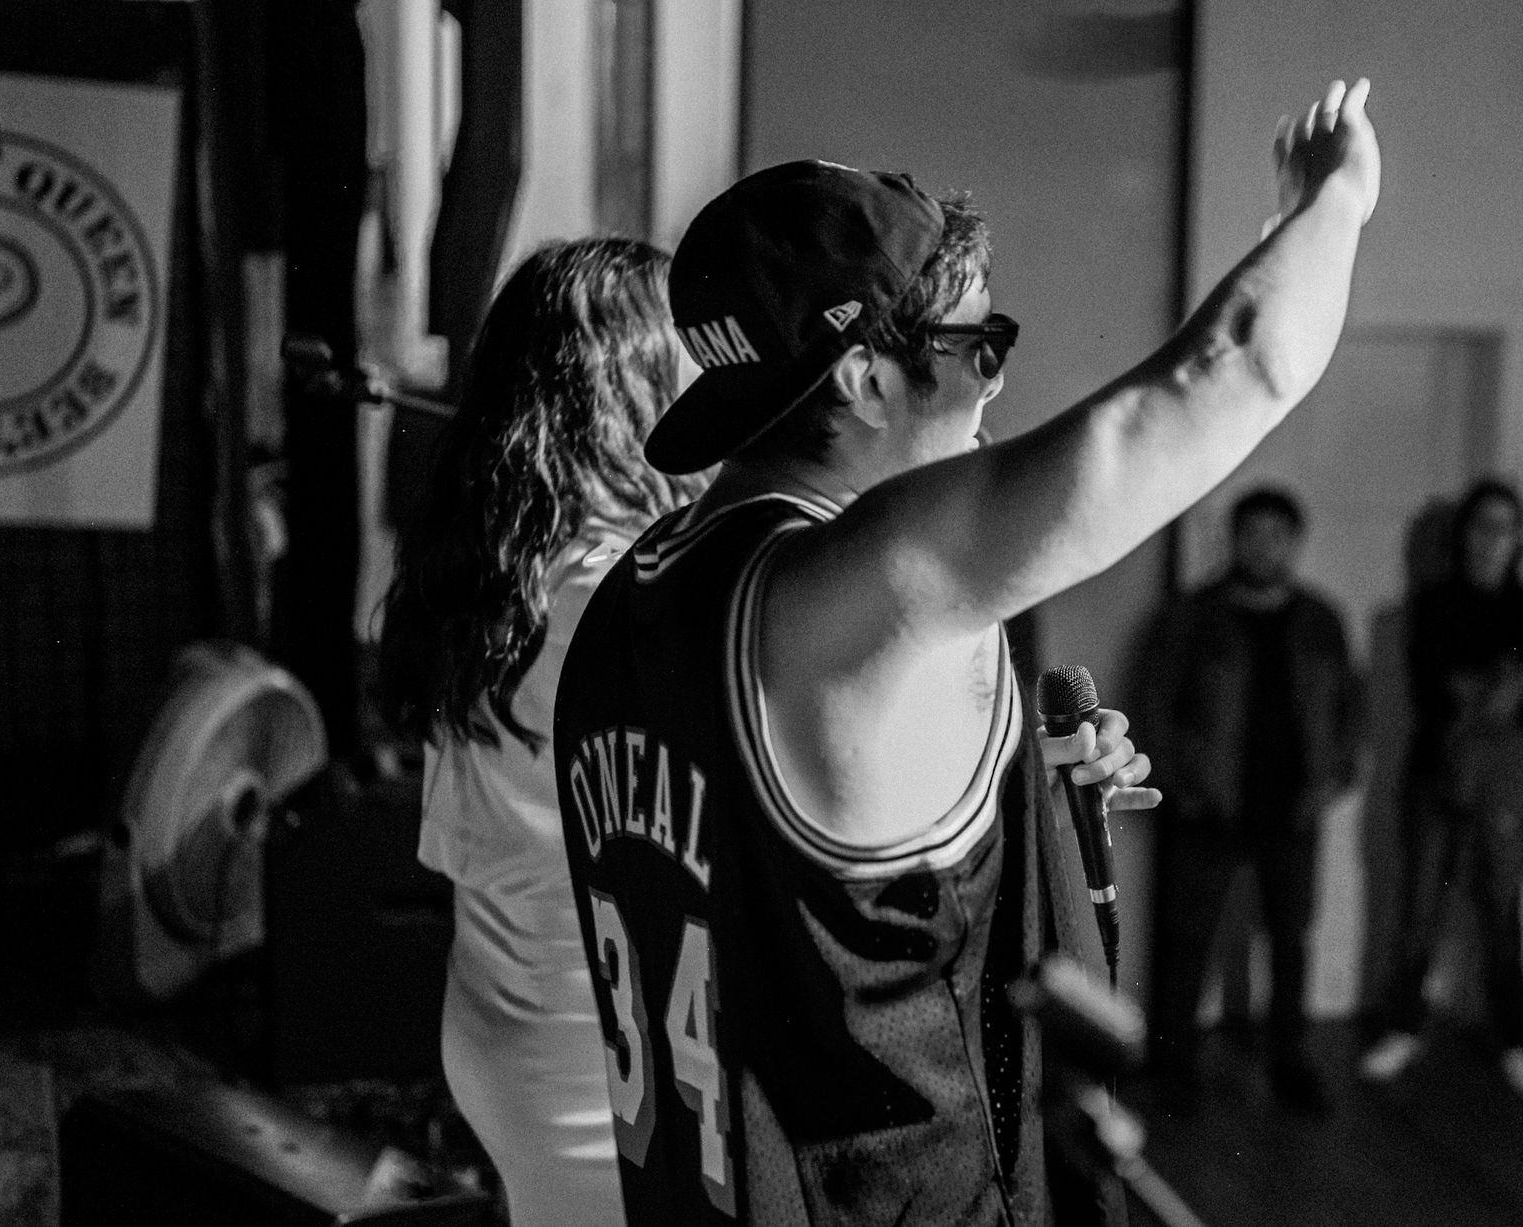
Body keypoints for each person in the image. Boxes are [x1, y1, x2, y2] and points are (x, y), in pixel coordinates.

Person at [552, 79, 1379, 1224]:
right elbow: (1234, 370)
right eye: (977, 344)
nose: (998, 379)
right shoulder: (852, 586)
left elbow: (788, 889)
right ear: (866, 379)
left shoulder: (630, 600)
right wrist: (1333, 201)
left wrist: (1007, 790)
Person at [377, 237, 708, 1227]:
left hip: (506, 1023)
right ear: (632, 392)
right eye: (691, 363)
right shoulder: (616, 595)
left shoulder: (501, 568)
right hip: (595, 1064)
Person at [1140, 487, 1356, 1115]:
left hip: (1294, 809)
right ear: (1233, 540)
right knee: (1187, 942)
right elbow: (1154, 708)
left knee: (1291, 940)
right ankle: (1173, 1067)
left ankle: (1290, 1060)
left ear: (1295, 543)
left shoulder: (1322, 620)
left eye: (1276, 536)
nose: (1263, 548)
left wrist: (1332, 781)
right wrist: (1183, 789)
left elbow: (1349, 708)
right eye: (1251, 534)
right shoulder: (1190, 616)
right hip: (1209, 809)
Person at [1359, 478, 1523, 1093]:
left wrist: (1489, 692)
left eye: (1503, 528)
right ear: (1462, 535)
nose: (1490, 540)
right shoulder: (1431, 604)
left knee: (1501, 913)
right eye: (1481, 525)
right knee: (1420, 910)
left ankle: (1513, 1037)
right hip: (1435, 776)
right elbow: (1436, 691)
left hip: (1503, 784)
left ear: (1518, 538)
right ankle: (1403, 1027)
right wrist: (1502, 685)